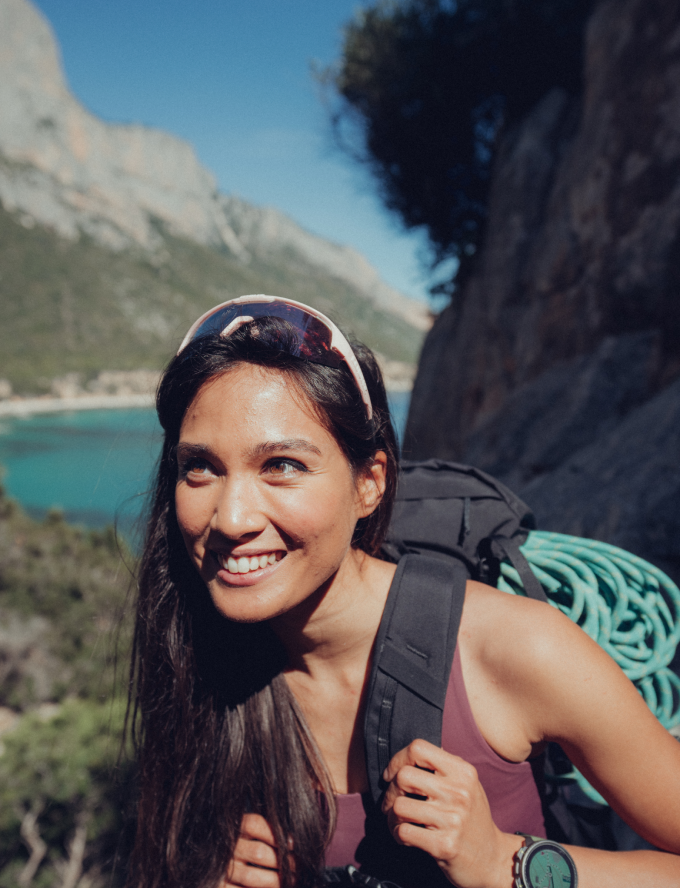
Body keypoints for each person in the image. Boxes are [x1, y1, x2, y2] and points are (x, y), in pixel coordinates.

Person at [127, 295, 680, 888]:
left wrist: (504, 863)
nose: (231, 518)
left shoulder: (517, 649)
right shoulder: (204, 662)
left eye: (282, 465)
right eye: (201, 468)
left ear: (369, 484)